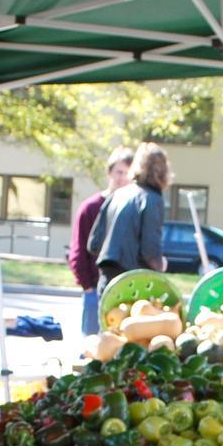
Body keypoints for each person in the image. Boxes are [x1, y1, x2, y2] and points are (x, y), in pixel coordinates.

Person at [69, 146, 133, 336]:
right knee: (92, 346)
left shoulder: (133, 210)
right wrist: (87, 285)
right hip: (95, 288)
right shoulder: (91, 207)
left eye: (127, 174)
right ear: (110, 172)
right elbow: (79, 249)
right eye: (118, 172)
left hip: (124, 288)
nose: (122, 178)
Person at [89, 141, 169, 290]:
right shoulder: (152, 199)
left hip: (107, 282)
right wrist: (161, 263)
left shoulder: (117, 194)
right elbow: (150, 250)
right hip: (133, 285)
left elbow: (94, 244)